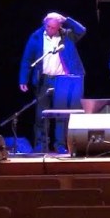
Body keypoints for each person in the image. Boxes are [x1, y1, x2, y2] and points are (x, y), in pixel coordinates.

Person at [18, 12, 86, 153]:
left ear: (59, 26)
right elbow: (27, 59)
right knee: (41, 114)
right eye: (47, 26)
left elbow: (82, 30)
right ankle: (41, 145)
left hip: (62, 80)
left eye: (53, 27)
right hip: (43, 80)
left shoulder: (67, 35)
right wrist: (23, 79)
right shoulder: (36, 36)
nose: (50, 30)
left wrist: (66, 19)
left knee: (60, 115)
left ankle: (60, 145)